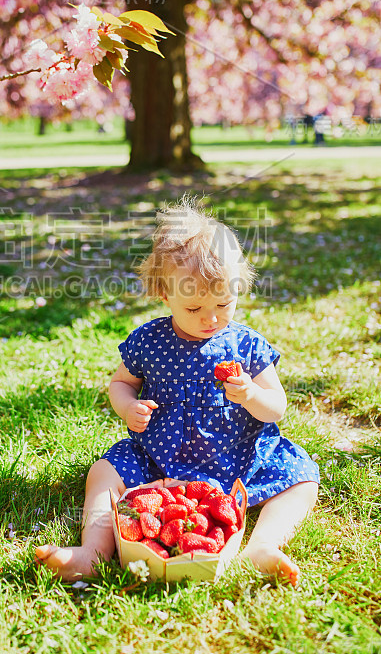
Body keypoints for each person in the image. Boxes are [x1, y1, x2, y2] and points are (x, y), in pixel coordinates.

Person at [35, 197, 319, 586]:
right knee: (102, 473)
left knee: (301, 478)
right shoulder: (149, 341)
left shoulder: (247, 345)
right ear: (164, 294)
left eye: (224, 302)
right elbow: (120, 383)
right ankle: (93, 550)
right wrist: (127, 407)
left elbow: (277, 407)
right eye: (194, 308)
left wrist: (252, 395)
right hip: (159, 460)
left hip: (236, 460)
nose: (211, 317)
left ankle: (262, 546)